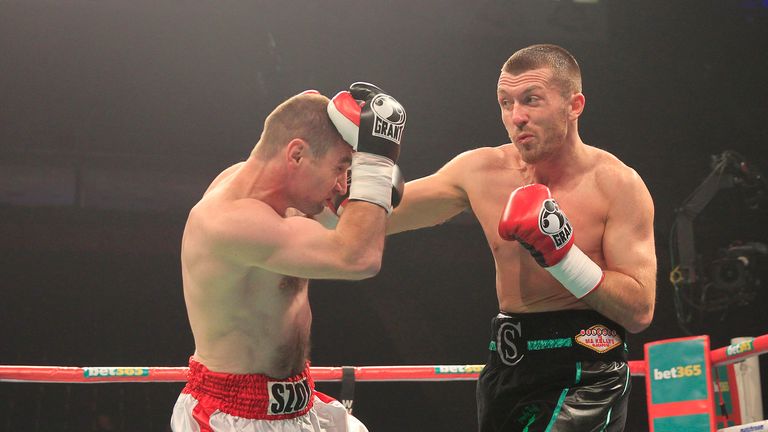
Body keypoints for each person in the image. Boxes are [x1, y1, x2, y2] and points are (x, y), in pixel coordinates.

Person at [387, 44, 656, 431]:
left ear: (574, 105)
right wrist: (367, 165)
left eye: (531, 100)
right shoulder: (479, 172)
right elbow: (376, 220)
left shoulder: (617, 185)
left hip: (586, 373)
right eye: (505, 102)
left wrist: (564, 258)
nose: (516, 117)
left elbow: (640, 309)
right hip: (506, 370)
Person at [170, 83, 406, 431]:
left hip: (301, 404)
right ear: (296, 155)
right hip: (230, 417)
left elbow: (368, 225)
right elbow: (357, 256)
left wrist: (447, 186)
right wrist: (377, 161)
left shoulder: (288, 197)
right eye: (340, 167)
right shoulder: (229, 221)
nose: (343, 184)